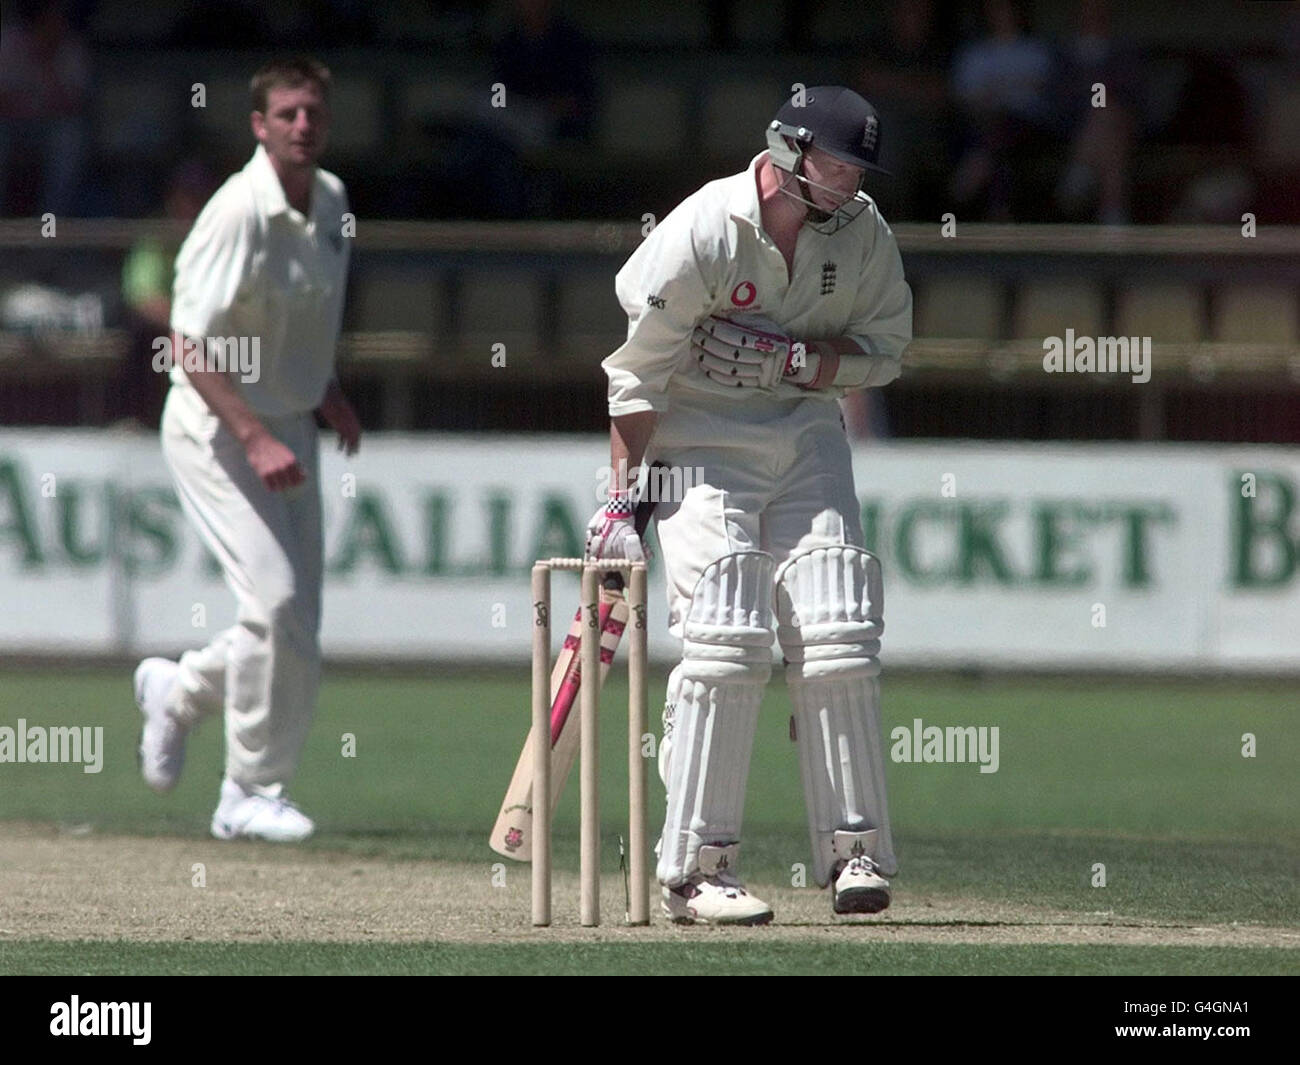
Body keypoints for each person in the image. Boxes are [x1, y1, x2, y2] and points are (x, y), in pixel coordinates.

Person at [587, 86, 911, 924]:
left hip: (806, 438)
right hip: (697, 446)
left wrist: (801, 360)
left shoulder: (863, 230)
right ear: (790, 151)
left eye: (858, 167)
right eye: (837, 163)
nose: (848, 183)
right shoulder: (703, 228)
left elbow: (886, 352)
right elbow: (635, 372)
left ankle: (855, 853)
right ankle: (698, 870)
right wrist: (623, 503)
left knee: (839, 628)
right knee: (729, 636)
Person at [133, 56, 360, 842]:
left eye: (314, 114)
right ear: (259, 126)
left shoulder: (331, 201)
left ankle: (181, 691)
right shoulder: (236, 212)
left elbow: (306, 320)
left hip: (288, 425)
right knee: (271, 600)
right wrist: (255, 434)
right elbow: (186, 343)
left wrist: (325, 393)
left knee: (295, 626)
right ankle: (246, 793)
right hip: (216, 428)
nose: (304, 126)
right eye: (288, 114)